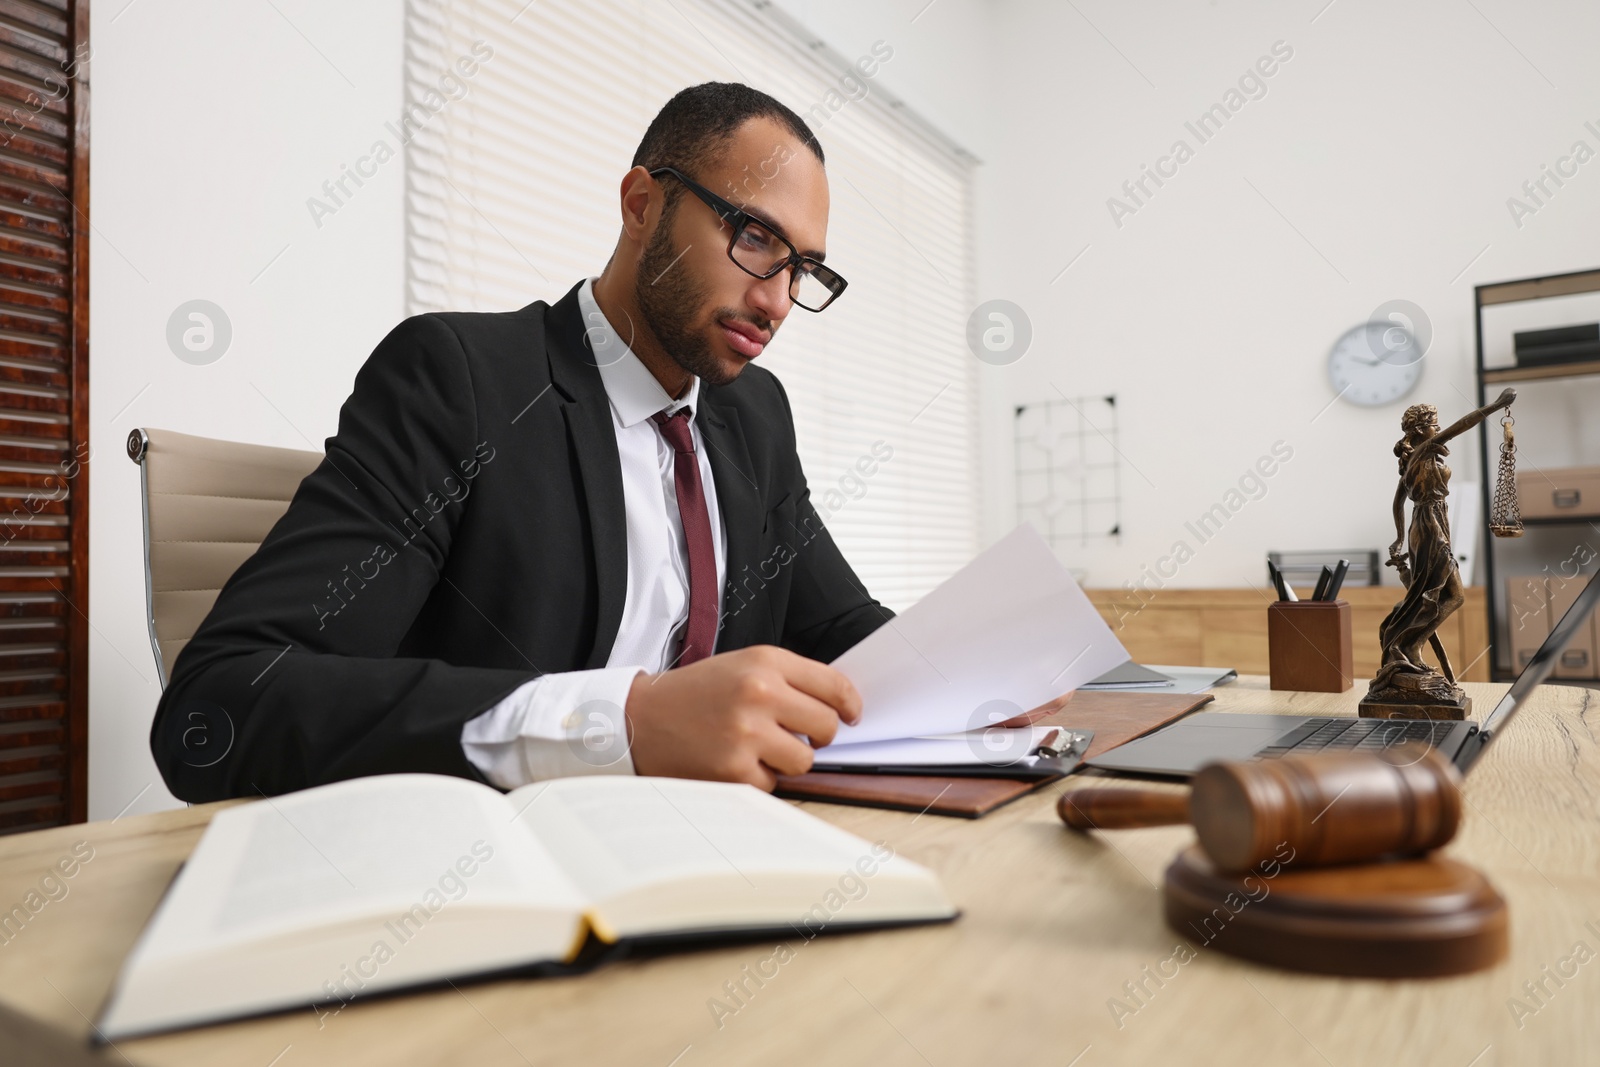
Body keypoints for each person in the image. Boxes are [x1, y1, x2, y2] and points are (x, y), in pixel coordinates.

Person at [151, 82, 894, 801]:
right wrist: (622, 722)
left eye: (802, 269)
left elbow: (842, 632)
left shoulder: (753, 413)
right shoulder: (460, 381)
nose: (774, 300)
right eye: (755, 237)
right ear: (643, 205)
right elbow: (216, 704)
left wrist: (983, 683)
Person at [1368, 387, 1515, 704]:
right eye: (1434, 423)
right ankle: (1407, 645)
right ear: (1421, 429)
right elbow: (1463, 424)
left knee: (1436, 593)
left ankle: (1408, 645)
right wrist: (1496, 405)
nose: (1438, 428)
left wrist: (1398, 537)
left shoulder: (1416, 460)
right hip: (1432, 526)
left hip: (1424, 525)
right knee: (1455, 595)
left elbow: (1397, 503)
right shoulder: (1427, 448)